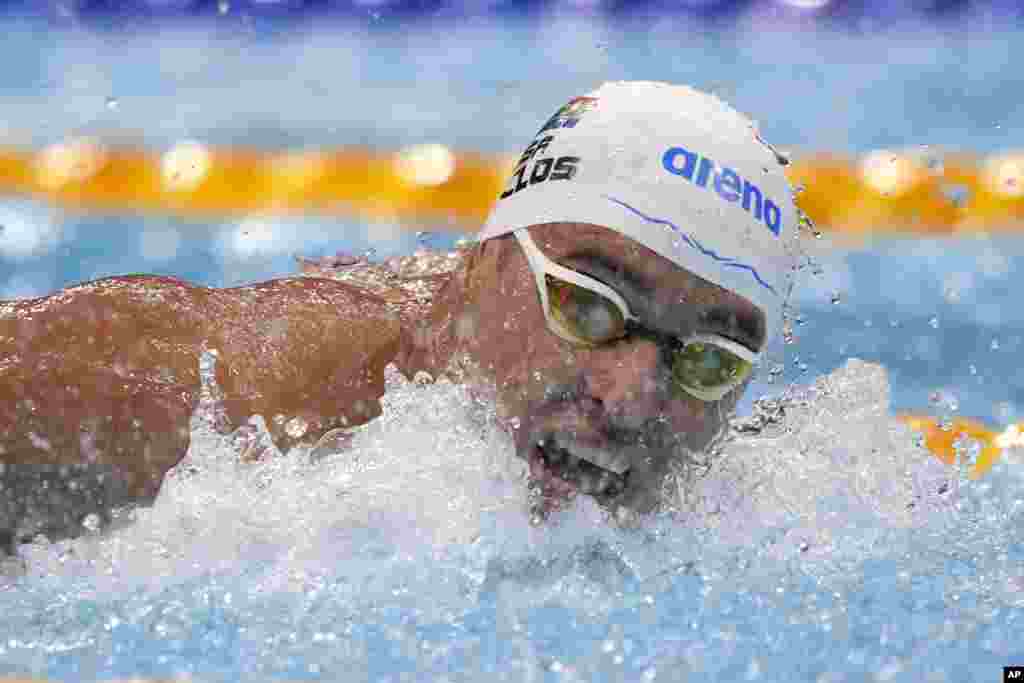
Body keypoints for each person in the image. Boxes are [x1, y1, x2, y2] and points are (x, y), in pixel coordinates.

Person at [0, 81, 796, 553]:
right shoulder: (258, 394)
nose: (630, 399)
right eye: (589, 307)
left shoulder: (778, 500)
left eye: (709, 360)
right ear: (485, 262)